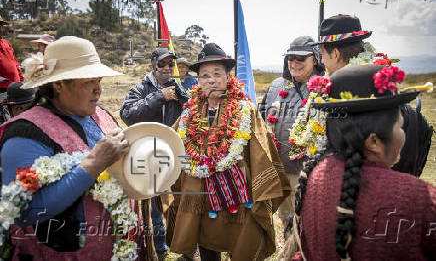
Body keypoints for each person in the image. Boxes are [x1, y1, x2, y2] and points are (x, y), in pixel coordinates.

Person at [0, 36, 152, 260]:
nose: (98, 91)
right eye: (89, 82)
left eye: (99, 81)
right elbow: (22, 211)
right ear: (59, 84)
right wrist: (93, 164)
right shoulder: (25, 134)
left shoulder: (102, 116)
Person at [288, 64, 436, 260]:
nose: (404, 135)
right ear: (374, 141)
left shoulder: (314, 175)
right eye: (401, 127)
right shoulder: (417, 198)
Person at [165, 43, 291, 261]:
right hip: (200, 198)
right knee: (206, 244)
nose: (211, 80)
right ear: (198, 81)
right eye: (204, 75)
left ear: (228, 77)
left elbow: (262, 150)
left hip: (238, 198)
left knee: (242, 243)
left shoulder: (246, 109)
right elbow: (172, 146)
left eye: (216, 74)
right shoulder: (188, 114)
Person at [311, 14, 433, 177]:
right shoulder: (379, 88)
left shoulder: (347, 99)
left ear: (335, 54)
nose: (322, 61)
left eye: (322, 54)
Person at [120, 46, 189, 260]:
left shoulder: (177, 87)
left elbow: (189, 112)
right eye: (162, 64)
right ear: (152, 66)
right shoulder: (140, 88)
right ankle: (159, 250)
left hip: (174, 152)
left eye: (171, 63)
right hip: (148, 155)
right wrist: (159, 97)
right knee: (154, 207)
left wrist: (183, 100)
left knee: (179, 201)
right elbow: (127, 114)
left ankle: (184, 246)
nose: (167, 67)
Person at [259, 36, 324, 227]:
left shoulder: (324, 88)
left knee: (309, 224)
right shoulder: (276, 86)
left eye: (301, 58)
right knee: (287, 220)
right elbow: (261, 121)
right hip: (280, 169)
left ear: (316, 59)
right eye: (290, 58)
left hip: (309, 172)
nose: (294, 63)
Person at [0, 16, 25, 92]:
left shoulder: (6, 43)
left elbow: (15, 63)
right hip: (2, 88)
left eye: (0, 25)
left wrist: (22, 80)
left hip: (16, 85)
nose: (0, 28)